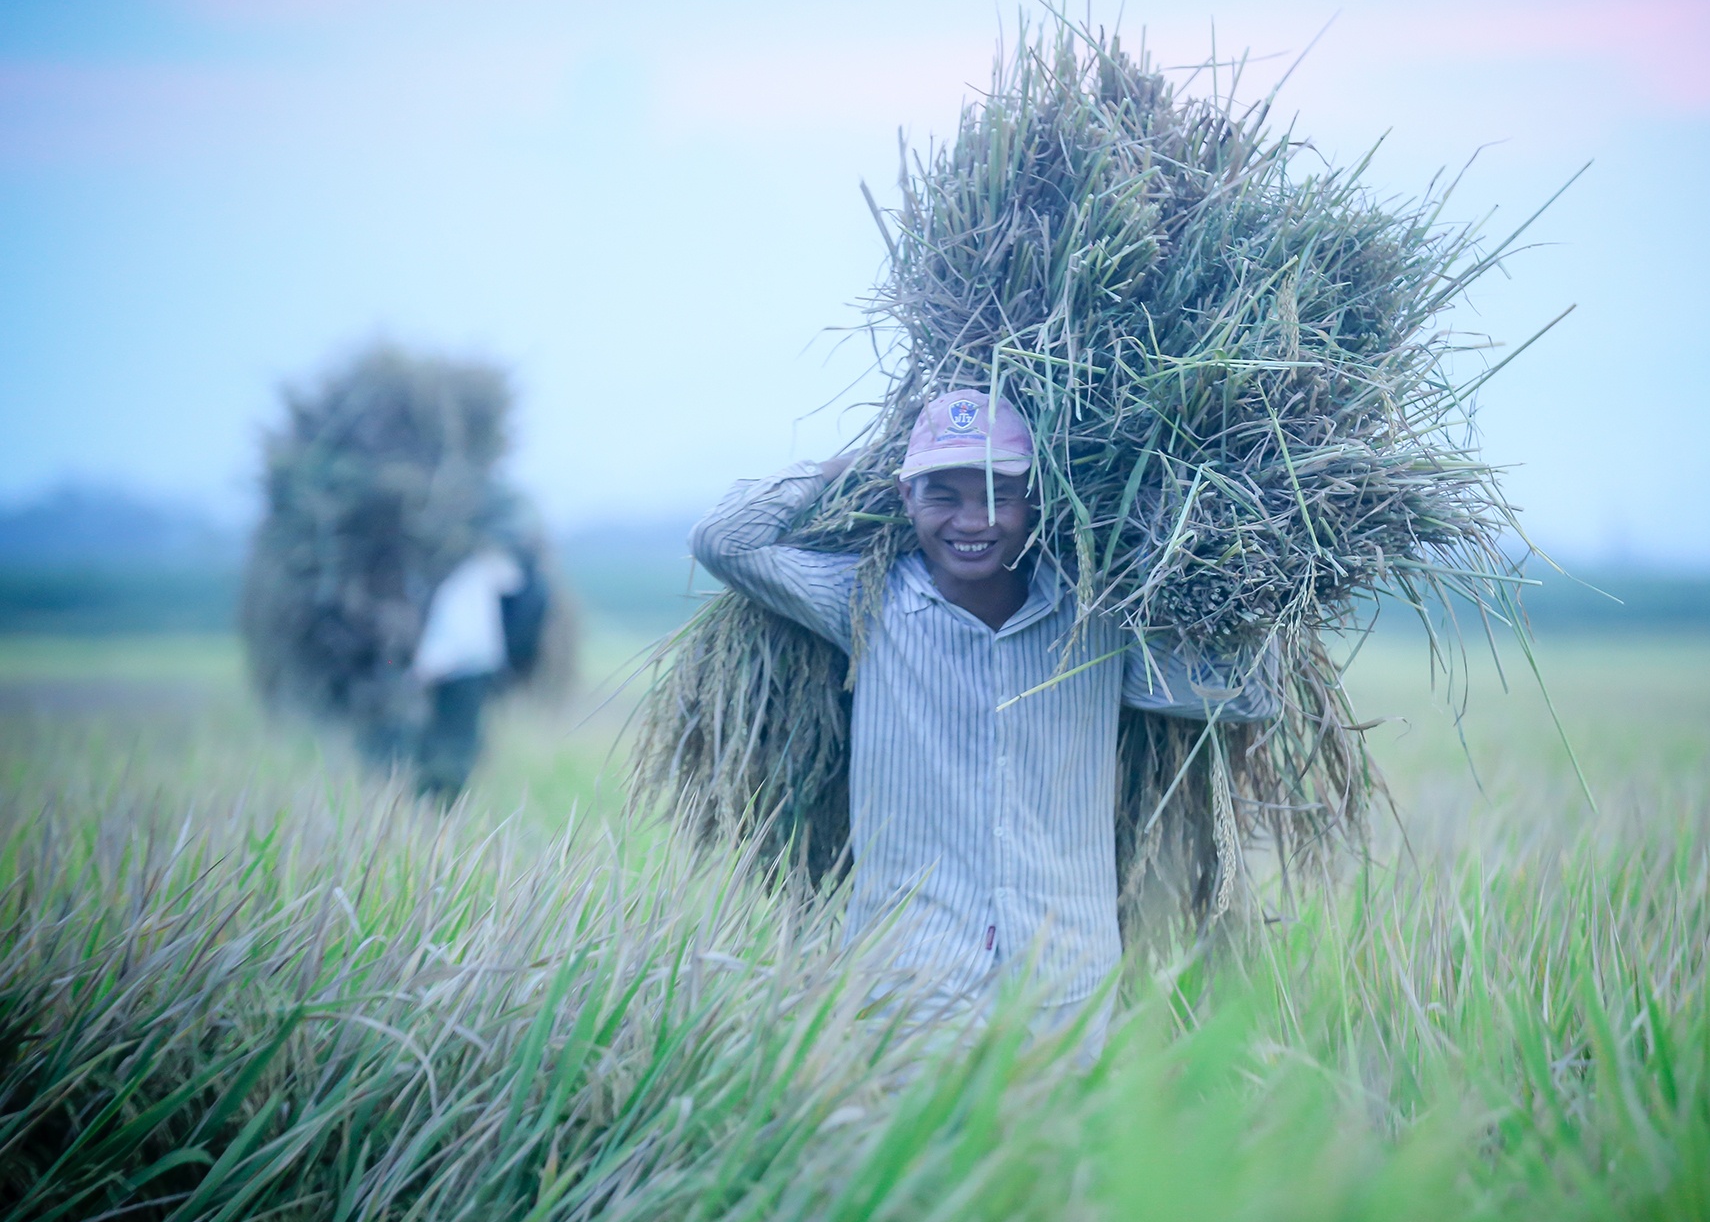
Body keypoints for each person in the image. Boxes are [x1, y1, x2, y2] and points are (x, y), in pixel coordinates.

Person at [689, 390, 1275, 1058]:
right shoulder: (866, 603)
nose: (974, 520)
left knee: (1049, 1161)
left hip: (1065, 978)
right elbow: (722, 538)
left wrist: (1252, 570)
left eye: (1000, 495)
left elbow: (1247, 693)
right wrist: (849, 466)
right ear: (906, 499)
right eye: (943, 495)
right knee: (917, 1159)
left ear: (1036, 505)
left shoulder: (1093, 622)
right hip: (906, 975)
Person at [410, 536, 548, 802]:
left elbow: (457, 635)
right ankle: (444, 799)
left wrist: (424, 669)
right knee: (461, 737)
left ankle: (441, 798)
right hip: (473, 672)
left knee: (451, 737)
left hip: (457, 673)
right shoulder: (485, 581)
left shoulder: (465, 583)